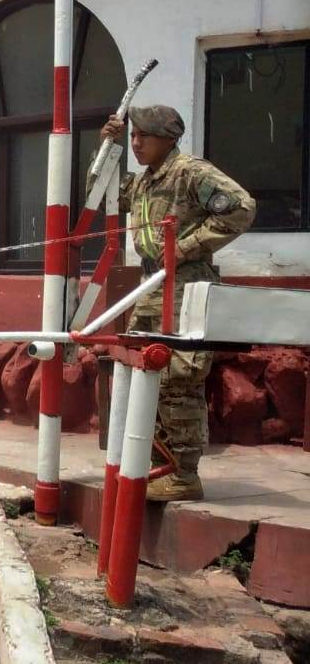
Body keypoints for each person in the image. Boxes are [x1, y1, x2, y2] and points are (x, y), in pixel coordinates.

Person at [102, 105, 255, 502]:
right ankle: (159, 464)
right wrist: (107, 147)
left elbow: (241, 208)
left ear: (167, 139)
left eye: (143, 137)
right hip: (151, 285)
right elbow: (98, 191)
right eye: (132, 137)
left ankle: (185, 475)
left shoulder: (189, 172)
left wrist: (183, 248)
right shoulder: (144, 181)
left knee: (179, 379)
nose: (136, 143)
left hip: (186, 286)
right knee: (145, 373)